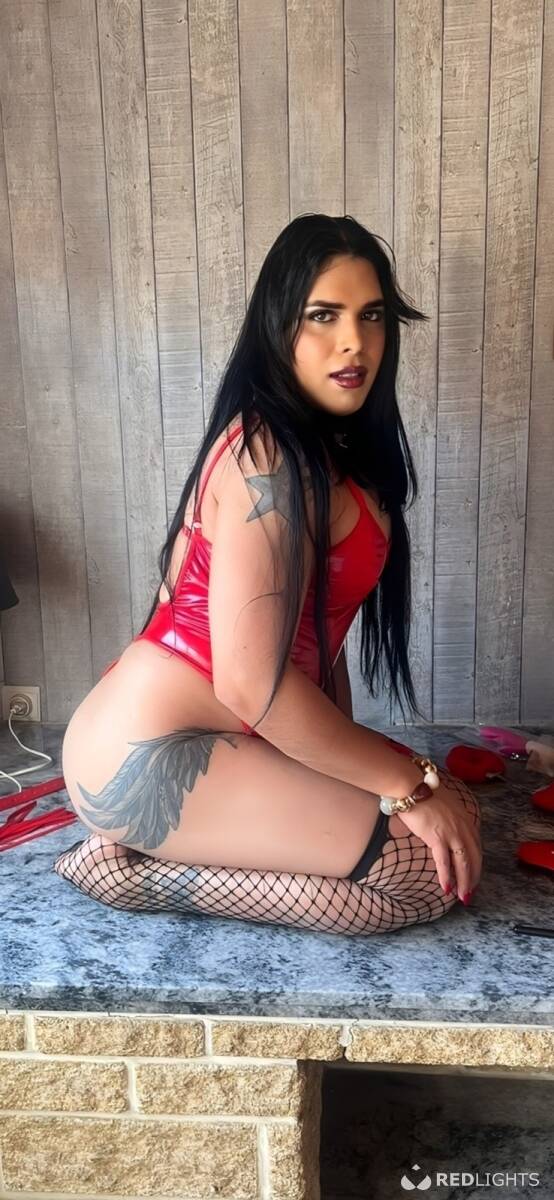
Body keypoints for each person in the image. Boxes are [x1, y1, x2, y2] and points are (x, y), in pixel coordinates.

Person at [53, 214, 481, 935]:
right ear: (278, 325)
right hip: (151, 752)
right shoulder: (267, 457)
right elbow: (250, 685)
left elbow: (319, 643)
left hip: (241, 735)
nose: (354, 341)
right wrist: (397, 787)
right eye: (324, 315)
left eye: (372, 315)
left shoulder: (334, 451)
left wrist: (383, 779)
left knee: (456, 816)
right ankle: (129, 874)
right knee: (420, 875)